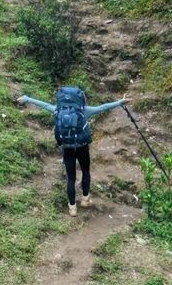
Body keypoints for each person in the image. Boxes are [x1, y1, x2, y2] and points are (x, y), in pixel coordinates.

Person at [16, 87, 125, 216]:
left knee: (71, 178)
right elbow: (103, 107)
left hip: (67, 147)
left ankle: (72, 208)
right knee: (85, 171)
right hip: (82, 146)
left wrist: (27, 99)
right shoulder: (84, 111)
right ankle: (85, 199)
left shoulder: (58, 110)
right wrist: (120, 102)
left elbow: (44, 105)